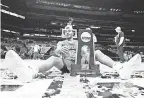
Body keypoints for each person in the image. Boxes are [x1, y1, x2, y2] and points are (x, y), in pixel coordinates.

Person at [1, 24, 142, 83]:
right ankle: (30, 71)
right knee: (53, 58)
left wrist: (89, 46)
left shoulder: (78, 41)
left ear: (73, 32)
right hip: (65, 64)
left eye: (70, 30)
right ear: (64, 32)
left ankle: (120, 68)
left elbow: (88, 51)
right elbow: (56, 51)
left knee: (98, 52)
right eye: (66, 30)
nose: (68, 31)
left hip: (78, 64)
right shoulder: (61, 42)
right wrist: (58, 51)